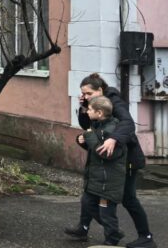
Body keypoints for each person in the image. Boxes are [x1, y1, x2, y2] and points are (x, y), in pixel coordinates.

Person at [65, 73, 156, 248]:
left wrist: (113, 139)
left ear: (100, 90)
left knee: (129, 199)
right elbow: (87, 127)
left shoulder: (114, 101)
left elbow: (128, 124)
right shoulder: (96, 106)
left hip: (126, 160)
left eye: (88, 94)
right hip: (107, 160)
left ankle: (146, 237)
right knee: (90, 191)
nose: (85, 96)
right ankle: (83, 228)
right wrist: (84, 107)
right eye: (83, 94)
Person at [73, 96, 128, 245]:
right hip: (98, 178)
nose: (87, 112)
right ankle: (112, 232)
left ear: (99, 113)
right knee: (87, 202)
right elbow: (95, 147)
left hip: (108, 180)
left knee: (106, 212)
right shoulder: (99, 125)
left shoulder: (111, 130)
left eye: (89, 110)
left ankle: (112, 237)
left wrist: (89, 136)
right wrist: (82, 140)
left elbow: (105, 154)